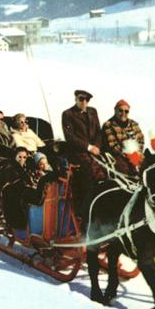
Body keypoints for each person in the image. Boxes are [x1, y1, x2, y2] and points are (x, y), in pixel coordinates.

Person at [61, 89, 105, 227]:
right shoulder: (68, 114)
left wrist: (96, 147)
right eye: (81, 99)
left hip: (95, 152)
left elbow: (98, 132)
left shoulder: (93, 112)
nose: (84, 102)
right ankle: (85, 212)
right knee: (92, 174)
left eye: (87, 100)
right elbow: (70, 137)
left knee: (110, 170)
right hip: (78, 152)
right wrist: (88, 147)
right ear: (75, 99)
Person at [0, 147, 44, 232]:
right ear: (15, 156)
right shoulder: (10, 166)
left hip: (21, 190)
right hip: (11, 193)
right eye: (20, 157)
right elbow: (9, 181)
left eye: (24, 157)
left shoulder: (26, 168)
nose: (22, 159)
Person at [102, 99, 145, 176]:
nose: (123, 113)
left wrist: (137, 153)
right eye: (120, 110)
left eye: (126, 111)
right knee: (125, 170)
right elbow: (112, 146)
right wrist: (128, 156)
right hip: (118, 156)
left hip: (136, 155)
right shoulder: (108, 125)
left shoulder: (134, 124)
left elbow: (141, 140)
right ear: (115, 110)